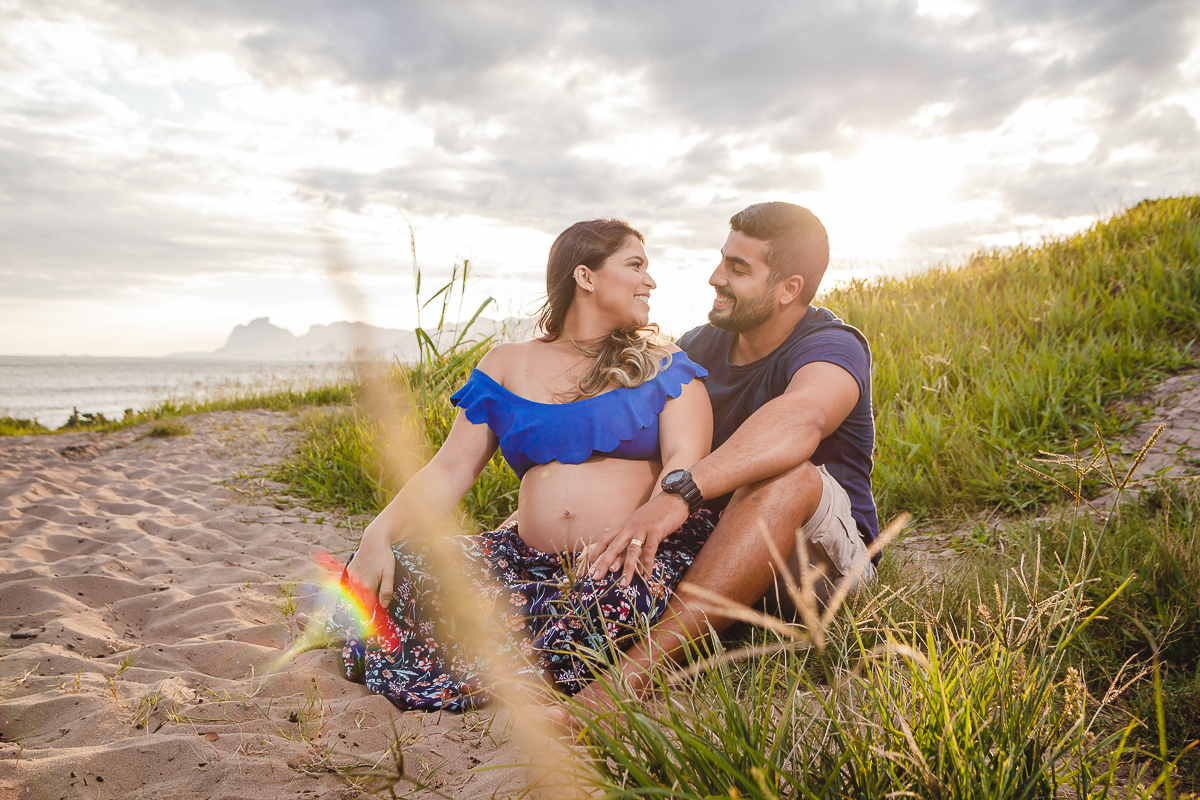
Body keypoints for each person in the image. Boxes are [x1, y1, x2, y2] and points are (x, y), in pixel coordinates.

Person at [330, 219, 715, 711]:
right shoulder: (507, 364)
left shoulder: (666, 365)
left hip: (629, 551)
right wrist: (376, 535)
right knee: (399, 567)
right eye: (635, 265)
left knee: (610, 603)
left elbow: (685, 462)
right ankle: (516, 647)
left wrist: (638, 535)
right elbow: (451, 470)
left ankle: (519, 654)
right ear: (586, 277)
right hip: (521, 560)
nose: (650, 281)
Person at [578, 201, 878, 699]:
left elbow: (800, 420)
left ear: (789, 289)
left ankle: (625, 684)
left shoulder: (832, 345)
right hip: (722, 551)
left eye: (738, 269)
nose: (716, 277)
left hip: (821, 567)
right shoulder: (699, 347)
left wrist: (678, 495)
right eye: (722, 259)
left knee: (789, 474)